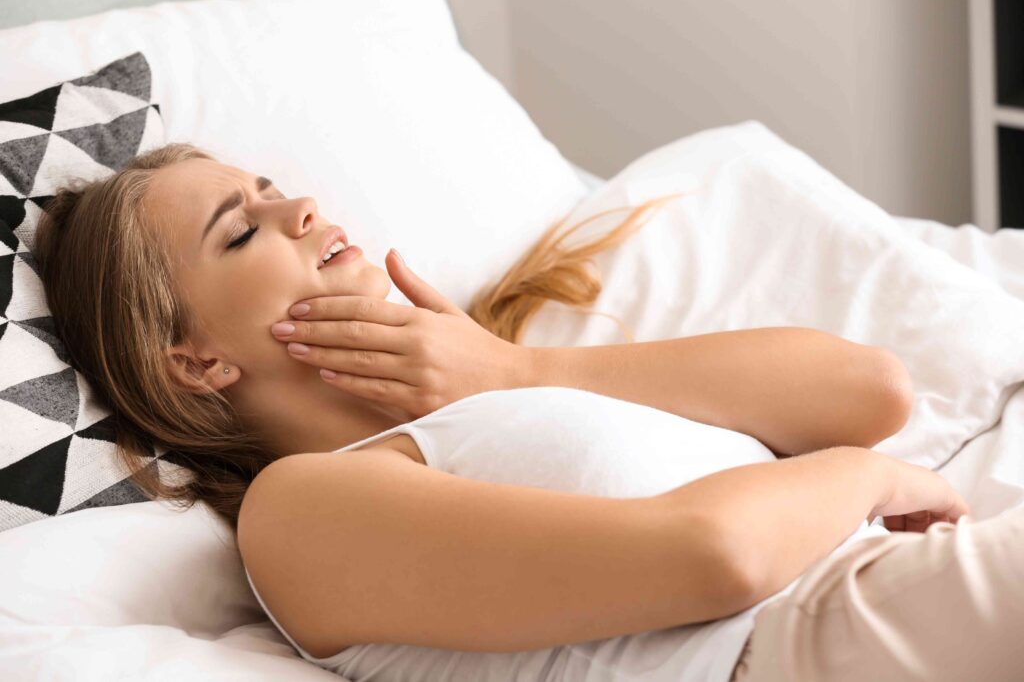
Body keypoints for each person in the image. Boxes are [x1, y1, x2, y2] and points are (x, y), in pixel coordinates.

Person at [33, 142, 1022, 681]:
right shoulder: (299, 511)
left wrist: (516, 366)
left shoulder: (507, 380)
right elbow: (712, 558)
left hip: (891, 583)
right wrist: (875, 479)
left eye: (275, 190)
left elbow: (869, 392)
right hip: (813, 640)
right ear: (196, 359)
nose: (300, 210)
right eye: (242, 230)